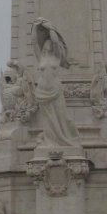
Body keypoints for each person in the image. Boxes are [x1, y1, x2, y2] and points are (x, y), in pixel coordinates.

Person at [31, 19, 81, 149]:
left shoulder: (56, 57)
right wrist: (35, 28)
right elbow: (34, 43)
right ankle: (50, 141)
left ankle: (65, 139)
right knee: (48, 120)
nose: (47, 47)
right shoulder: (41, 58)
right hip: (42, 91)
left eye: (49, 46)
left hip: (55, 90)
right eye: (45, 46)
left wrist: (51, 28)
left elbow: (55, 41)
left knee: (62, 116)